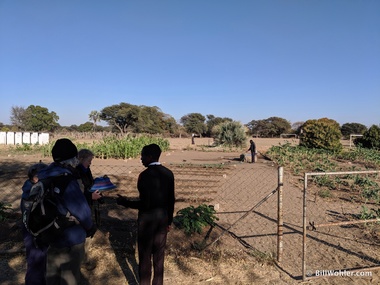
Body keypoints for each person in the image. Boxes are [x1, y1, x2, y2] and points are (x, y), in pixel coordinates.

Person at [38, 138, 96, 285]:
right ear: (72, 158)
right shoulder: (67, 180)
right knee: (69, 276)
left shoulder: (45, 175)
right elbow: (81, 211)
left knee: (52, 275)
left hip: (49, 233)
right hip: (71, 237)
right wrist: (90, 227)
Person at [116, 143, 175, 285]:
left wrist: (125, 202)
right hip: (162, 219)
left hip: (146, 221)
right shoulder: (168, 173)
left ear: (149, 157)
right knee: (159, 257)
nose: (141, 159)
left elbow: (144, 203)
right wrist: (169, 221)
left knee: (144, 256)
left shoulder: (144, 175)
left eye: (142, 156)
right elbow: (171, 200)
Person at [20, 162, 49, 285]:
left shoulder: (28, 187)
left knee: (36, 263)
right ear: (36, 178)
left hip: (30, 231)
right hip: (36, 232)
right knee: (36, 263)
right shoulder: (34, 192)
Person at [76, 149, 103, 270]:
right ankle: (82, 259)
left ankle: (83, 258)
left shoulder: (86, 170)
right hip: (81, 206)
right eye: (89, 160)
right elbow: (76, 192)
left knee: (89, 231)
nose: (90, 163)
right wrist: (90, 196)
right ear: (81, 159)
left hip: (88, 204)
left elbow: (89, 184)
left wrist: (99, 182)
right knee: (85, 231)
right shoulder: (76, 172)